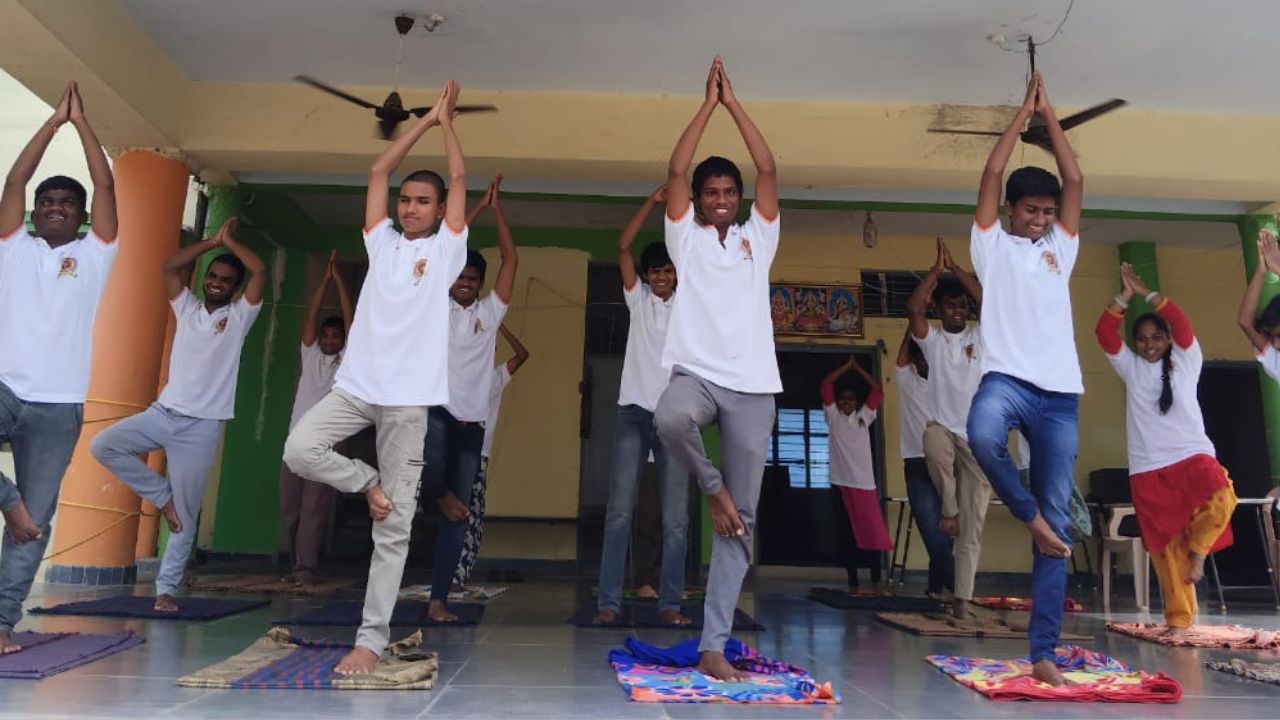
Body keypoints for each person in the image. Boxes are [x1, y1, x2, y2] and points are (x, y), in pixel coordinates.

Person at [282, 80, 467, 675]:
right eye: (406, 200)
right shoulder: (381, 240)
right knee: (299, 449)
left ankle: (371, 637)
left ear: (439, 212)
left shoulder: (446, 253)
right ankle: (365, 481)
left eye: (423, 202)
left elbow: (460, 181)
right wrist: (421, 123)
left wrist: (449, 126)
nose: (411, 207)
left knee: (397, 526)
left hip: (409, 404)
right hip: (357, 389)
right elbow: (379, 169)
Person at [653, 56, 779, 682]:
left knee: (741, 526)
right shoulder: (687, 239)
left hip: (755, 388)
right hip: (697, 376)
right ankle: (712, 488)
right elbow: (676, 168)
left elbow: (769, 169)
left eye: (730, 192)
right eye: (713, 193)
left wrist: (738, 106)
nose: (723, 199)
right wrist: (708, 107)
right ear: (699, 203)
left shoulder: (761, 237)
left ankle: (713, 645)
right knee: (669, 418)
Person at [963, 73, 1081, 687]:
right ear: (1011, 211)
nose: (1040, 219)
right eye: (1031, 210)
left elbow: (1077, 180)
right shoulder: (992, 247)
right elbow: (988, 176)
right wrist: (1020, 117)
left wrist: (1051, 117)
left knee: (1057, 528)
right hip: (1006, 378)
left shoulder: (1061, 248)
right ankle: (1029, 512)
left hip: (1059, 394)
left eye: (1046, 211)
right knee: (981, 436)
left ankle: (1044, 652)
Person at [93, 217, 265, 612]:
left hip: (202, 427)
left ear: (234, 288)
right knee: (104, 446)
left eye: (225, 279)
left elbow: (259, 270)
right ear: (205, 278)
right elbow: (169, 267)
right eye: (213, 276)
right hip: (163, 412)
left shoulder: (239, 317)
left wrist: (230, 241)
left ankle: (166, 590)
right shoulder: (186, 307)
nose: (217, 282)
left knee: (186, 515)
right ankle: (161, 496)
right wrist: (209, 243)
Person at [0, 82, 116, 654]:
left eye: (66, 203)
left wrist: (83, 125)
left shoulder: (95, 254)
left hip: (58, 406)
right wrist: (52, 125)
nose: (53, 207)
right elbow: (13, 181)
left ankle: (0, 624)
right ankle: (8, 500)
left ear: (82, 216)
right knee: (21, 513)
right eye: (46, 201)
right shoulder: (11, 246)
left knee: (33, 527)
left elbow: (106, 182)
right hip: (3, 386)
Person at [1097, 262, 1237, 636]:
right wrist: (1123, 297)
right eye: (1141, 339)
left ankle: (1200, 551)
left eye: (1156, 337)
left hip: (1192, 454)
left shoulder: (1188, 359)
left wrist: (1145, 292)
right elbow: (1104, 332)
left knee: (1223, 495)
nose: (1148, 345)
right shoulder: (1129, 366)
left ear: (1168, 338)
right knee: (1164, 549)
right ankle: (1179, 622)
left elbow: (1182, 321)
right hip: (1147, 466)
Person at [420, 172, 518, 623]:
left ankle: (439, 598)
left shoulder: (490, 314)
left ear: (479, 283)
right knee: (433, 475)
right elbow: (445, 241)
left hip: (472, 423)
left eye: (472, 277)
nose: (464, 281)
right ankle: (437, 493)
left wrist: (498, 214)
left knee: (457, 518)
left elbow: (511, 260)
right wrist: (475, 208)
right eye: (459, 275)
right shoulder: (436, 304)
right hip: (437, 409)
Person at [595, 186, 690, 626]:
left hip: (672, 415)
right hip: (633, 412)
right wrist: (650, 204)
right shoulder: (639, 301)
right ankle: (608, 603)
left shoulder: (689, 306)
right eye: (655, 272)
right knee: (618, 513)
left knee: (675, 518)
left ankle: (670, 603)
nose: (661, 278)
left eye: (667, 271)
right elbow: (622, 247)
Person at [907, 237, 988, 619]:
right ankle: (949, 509)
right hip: (944, 431)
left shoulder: (980, 337)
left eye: (962, 305)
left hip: (978, 441)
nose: (957, 310)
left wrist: (957, 268)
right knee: (932, 435)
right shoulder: (934, 343)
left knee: (972, 529)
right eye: (950, 305)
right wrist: (935, 273)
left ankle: (962, 600)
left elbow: (988, 301)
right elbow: (913, 309)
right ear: (939, 308)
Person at [279, 250, 352, 587]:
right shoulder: (309, 354)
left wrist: (340, 284)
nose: (330, 340)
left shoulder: (348, 361)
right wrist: (324, 282)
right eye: (326, 336)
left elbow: (353, 323)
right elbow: (310, 317)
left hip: (328, 445)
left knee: (313, 509)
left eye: (335, 337)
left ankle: (305, 570)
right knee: (290, 508)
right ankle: (294, 565)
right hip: (296, 440)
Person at [453, 324, 530, 590]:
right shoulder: (457, 376)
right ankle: (449, 572)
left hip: (478, 455)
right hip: (452, 453)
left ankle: (459, 575)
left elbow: (522, 354)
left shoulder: (496, 376)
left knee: (471, 515)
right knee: (452, 512)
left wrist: (500, 326)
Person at [822, 356, 894, 596]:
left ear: (857, 402)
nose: (845, 403)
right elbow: (825, 385)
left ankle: (876, 584)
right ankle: (853, 585)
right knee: (847, 537)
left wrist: (858, 369)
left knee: (872, 535)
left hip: (864, 485)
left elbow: (877, 390)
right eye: (842, 399)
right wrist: (844, 368)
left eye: (850, 399)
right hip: (840, 484)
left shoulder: (864, 417)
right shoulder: (833, 417)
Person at [893, 329, 954, 601]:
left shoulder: (949, 386)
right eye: (923, 359)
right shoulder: (908, 383)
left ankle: (935, 588)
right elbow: (901, 359)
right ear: (917, 361)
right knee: (931, 528)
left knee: (948, 528)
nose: (927, 364)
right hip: (917, 464)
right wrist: (912, 324)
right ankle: (957, 587)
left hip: (947, 464)